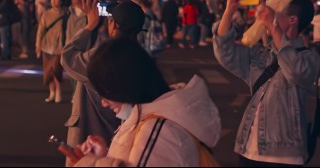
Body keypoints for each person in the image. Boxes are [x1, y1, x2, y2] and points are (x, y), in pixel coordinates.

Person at [62, 37, 221, 167]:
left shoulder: (158, 133)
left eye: (105, 92)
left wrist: (89, 164)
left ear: (123, 86)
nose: (104, 102)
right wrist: (102, 157)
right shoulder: (154, 119)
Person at [214, 0, 319, 166]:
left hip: (284, 156)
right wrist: (230, 10)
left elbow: (294, 70)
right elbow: (226, 52)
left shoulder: (308, 56)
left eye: (275, 13)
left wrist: (272, 25)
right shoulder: (262, 54)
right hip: (248, 151)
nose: (267, 16)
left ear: (293, 20)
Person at [61, 0, 146, 156]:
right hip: (122, 134)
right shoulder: (141, 57)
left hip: (91, 136)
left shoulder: (103, 56)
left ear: (113, 24)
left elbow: (67, 57)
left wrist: (90, 25)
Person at [36, 0, 68, 104]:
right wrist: (38, 44)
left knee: (57, 70)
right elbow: (40, 30)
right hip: (47, 46)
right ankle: (52, 92)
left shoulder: (66, 14)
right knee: (48, 71)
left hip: (59, 47)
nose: (54, 1)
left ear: (61, 1)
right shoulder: (46, 14)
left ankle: (58, 91)